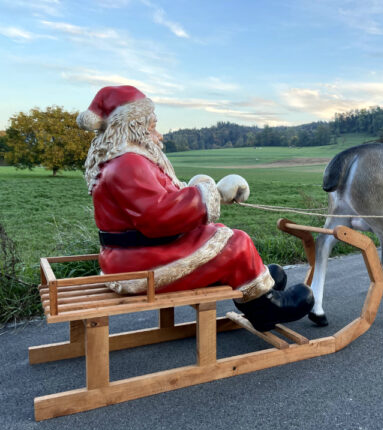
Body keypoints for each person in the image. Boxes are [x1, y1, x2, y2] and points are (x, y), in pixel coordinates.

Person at [77, 85, 313, 331]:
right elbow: (158, 216)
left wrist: (199, 186)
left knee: (217, 232)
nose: (158, 135)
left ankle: (255, 280)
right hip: (139, 263)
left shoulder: (122, 160)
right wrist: (215, 194)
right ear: (133, 125)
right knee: (236, 243)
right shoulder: (128, 164)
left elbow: (162, 196)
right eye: (152, 126)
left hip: (131, 255)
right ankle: (264, 308)